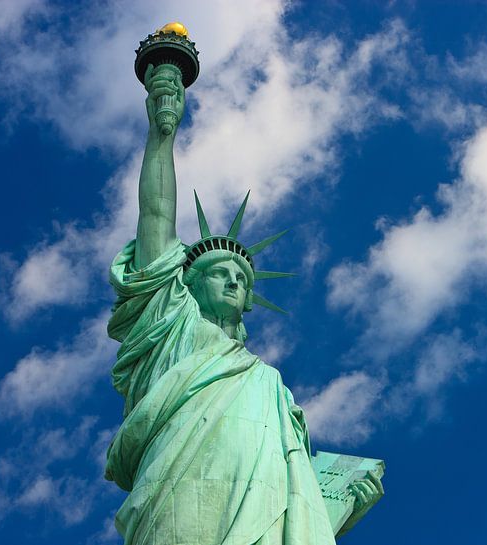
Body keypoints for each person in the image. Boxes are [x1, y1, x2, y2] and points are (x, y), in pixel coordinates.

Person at [104, 63, 382, 545]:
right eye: (219, 273)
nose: (233, 282)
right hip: (179, 495)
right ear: (185, 284)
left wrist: (342, 500)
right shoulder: (172, 328)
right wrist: (161, 137)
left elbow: (294, 495)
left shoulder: (268, 383)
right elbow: (155, 215)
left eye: (241, 278)